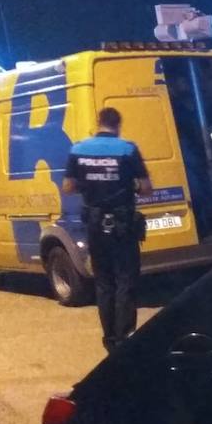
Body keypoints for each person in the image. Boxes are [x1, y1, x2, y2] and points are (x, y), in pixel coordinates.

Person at [62, 108, 151, 351]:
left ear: (98, 123)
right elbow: (145, 188)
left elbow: (68, 187)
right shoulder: (128, 149)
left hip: (94, 224)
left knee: (103, 282)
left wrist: (88, 183)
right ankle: (125, 336)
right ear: (118, 124)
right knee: (125, 279)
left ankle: (109, 338)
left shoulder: (78, 149)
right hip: (122, 224)